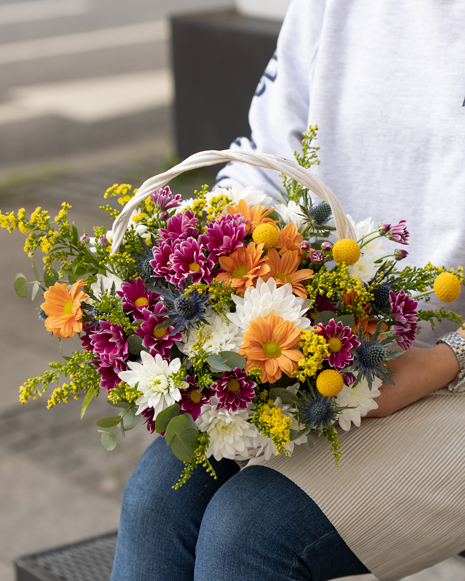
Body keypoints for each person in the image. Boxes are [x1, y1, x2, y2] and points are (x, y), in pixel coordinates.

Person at [111, 1, 465, 579]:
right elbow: (265, 161)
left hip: (451, 376)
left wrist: (447, 361)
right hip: (332, 351)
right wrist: (199, 256)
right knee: (157, 502)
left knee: (250, 532)